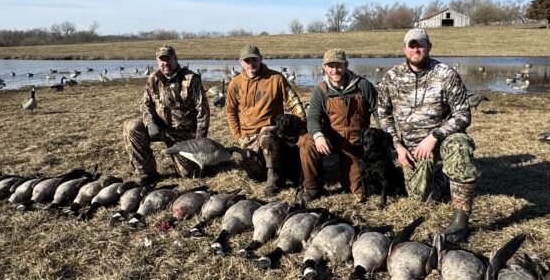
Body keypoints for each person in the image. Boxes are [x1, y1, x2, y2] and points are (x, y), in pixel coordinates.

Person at [377, 28, 477, 243]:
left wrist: (434, 136)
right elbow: (383, 116)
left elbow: (463, 115)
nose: (416, 49)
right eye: (411, 45)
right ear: (404, 49)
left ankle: (461, 221)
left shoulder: (445, 74)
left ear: (429, 47)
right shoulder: (391, 77)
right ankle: (442, 178)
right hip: (410, 148)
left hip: (441, 140)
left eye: (420, 44)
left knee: (460, 145)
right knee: (420, 198)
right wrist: (397, 145)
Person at [122, 45, 210, 184]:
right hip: (160, 128)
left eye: (168, 59)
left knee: (189, 174)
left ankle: (204, 160)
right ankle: (147, 171)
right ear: (157, 61)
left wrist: (198, 142)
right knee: (132, 127)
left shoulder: (191, 79)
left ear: (175, 59)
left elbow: (203, 112)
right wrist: (150, 123)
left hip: (184, 134)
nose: (165, 63)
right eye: (161, 60)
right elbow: (145, 104)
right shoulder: (153, 79)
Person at [225, 44, 306, 194]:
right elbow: (231, 112)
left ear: (260, 59)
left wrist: (301, 126)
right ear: (240, 62)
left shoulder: (276, 78)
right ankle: (272, 169)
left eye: (254, 60)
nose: (251, 64)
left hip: (271, 134)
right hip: (248, 137)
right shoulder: (235, 83)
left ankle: (273, 178)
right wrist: (238, 136)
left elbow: (294, 102)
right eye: (247, 61)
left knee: (268, 134)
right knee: (254, 174)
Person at [299, 49, 378, 202]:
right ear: (324, 67)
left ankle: (351, 174)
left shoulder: (363, 86)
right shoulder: (321, 90)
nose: (334, 70)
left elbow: (379, 111)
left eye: (339, 65)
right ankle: (312, 188)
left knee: (355, 191)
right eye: (330, 66)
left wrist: (384, 139)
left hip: (355, 142)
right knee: (307, 141)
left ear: (346, 65)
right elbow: (313, 117)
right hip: (332, 139)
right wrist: (318, 135)